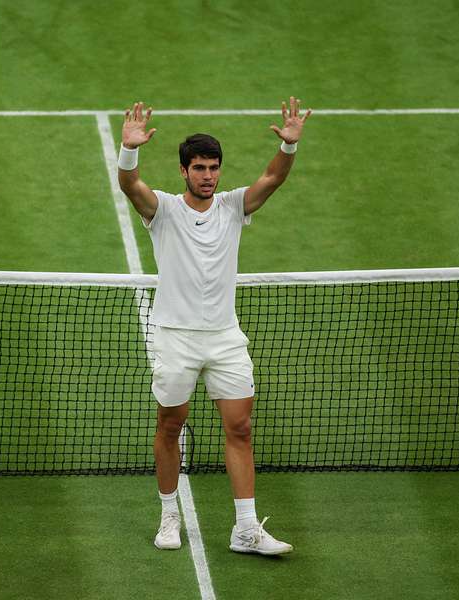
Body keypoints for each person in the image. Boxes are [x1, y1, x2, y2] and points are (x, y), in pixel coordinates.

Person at [117, 97, 312, 555]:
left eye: (214, 167)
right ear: (184, 171)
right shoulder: (162, 210)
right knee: (170, 425)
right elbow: (130, 184)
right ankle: (169, 515)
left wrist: (288, 147)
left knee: (240, 428)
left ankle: (245, 529)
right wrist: (130, 150)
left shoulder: (231, 206)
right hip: (174, 338)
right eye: (200, 168)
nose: (208, 175)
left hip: (225, 338)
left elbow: (273, 179)